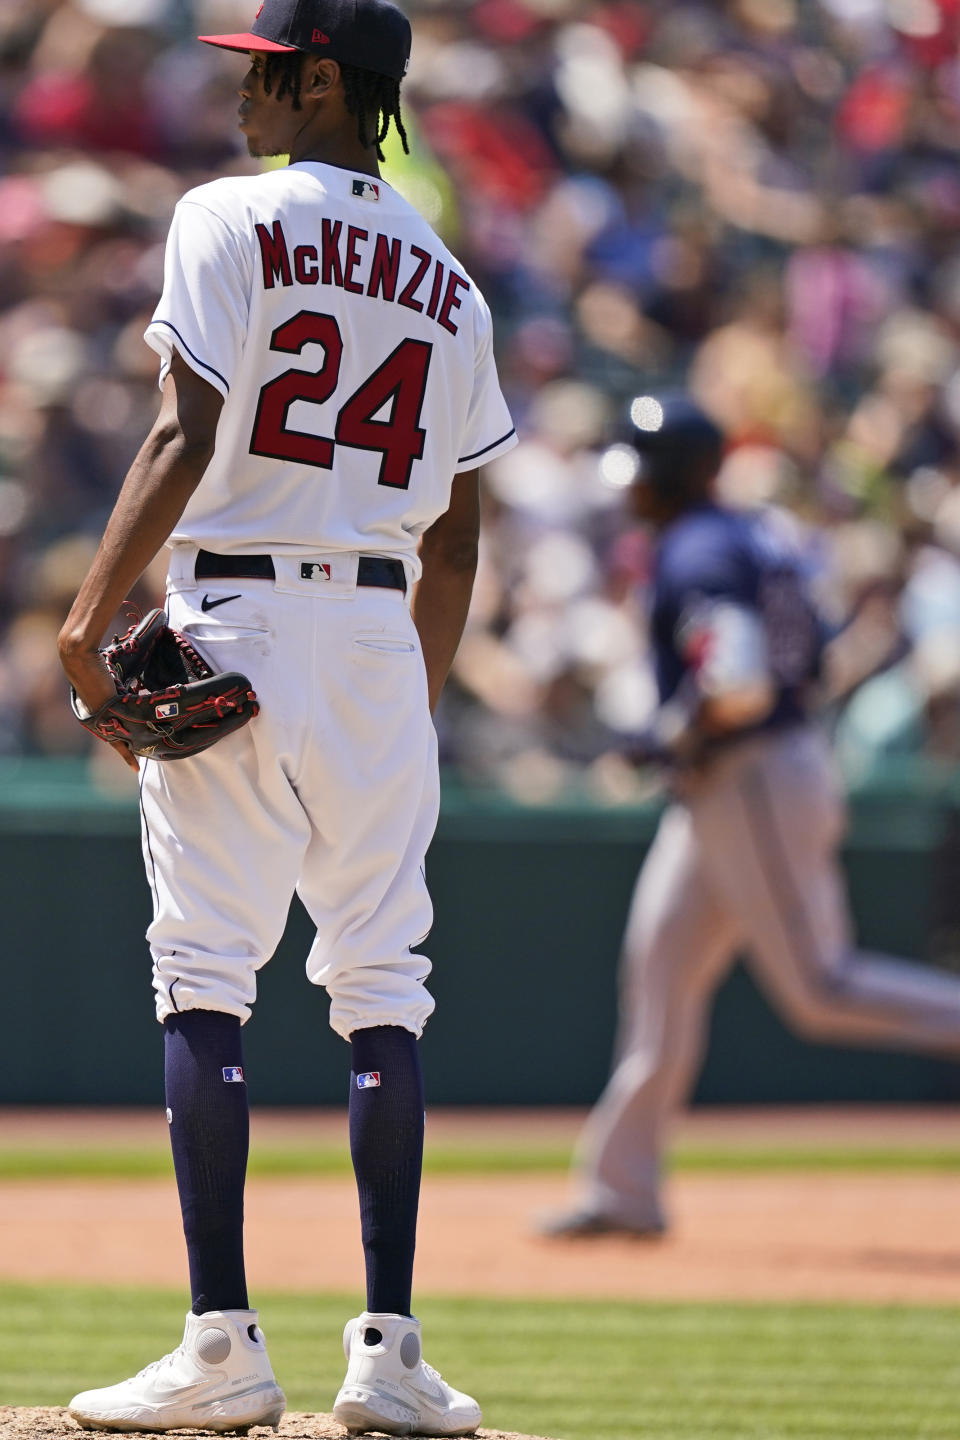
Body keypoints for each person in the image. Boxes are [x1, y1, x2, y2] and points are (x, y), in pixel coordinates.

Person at [58, 1, 516, 1432]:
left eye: (266, 70)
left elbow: (188, 432)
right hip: (380, 621)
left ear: (326, 79)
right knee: (384, 987)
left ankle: (219, 1345)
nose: (248, 93)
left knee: (207, 969)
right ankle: (389, 1354)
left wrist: (83, 627)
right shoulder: (449, 273)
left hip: (240, 605)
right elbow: (457, 540)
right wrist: (400, 697)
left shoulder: (225, 216)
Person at [540, 394, 960, 1240]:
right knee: (660, 974)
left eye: (642, 475)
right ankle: (624, 1189)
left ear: (675, 476)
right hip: (738, 778)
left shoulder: (698, 547)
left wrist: (668, 733)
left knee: (821, 988)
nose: (630, 491)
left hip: (753, 774)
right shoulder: (745, 534)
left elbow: (738, 683)